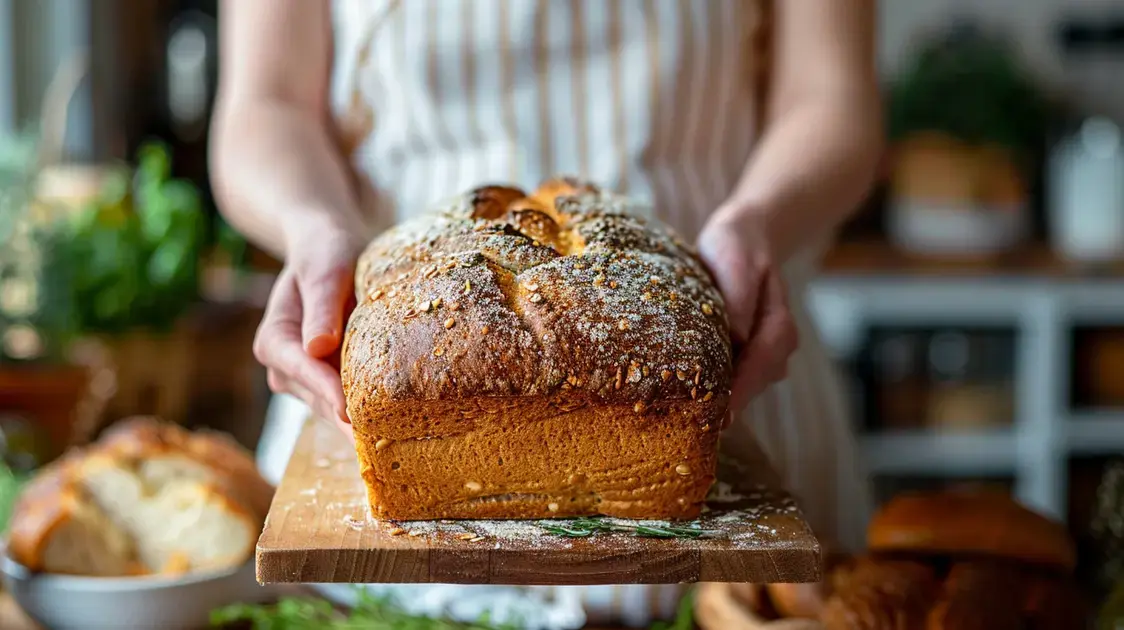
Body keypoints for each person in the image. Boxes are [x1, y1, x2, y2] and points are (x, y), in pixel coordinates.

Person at [211, 0, 881, 626]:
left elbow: (830, 100)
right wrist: (314, 229)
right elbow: (264, 107)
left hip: (736, 387)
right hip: (389, 392)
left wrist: (755, 225)